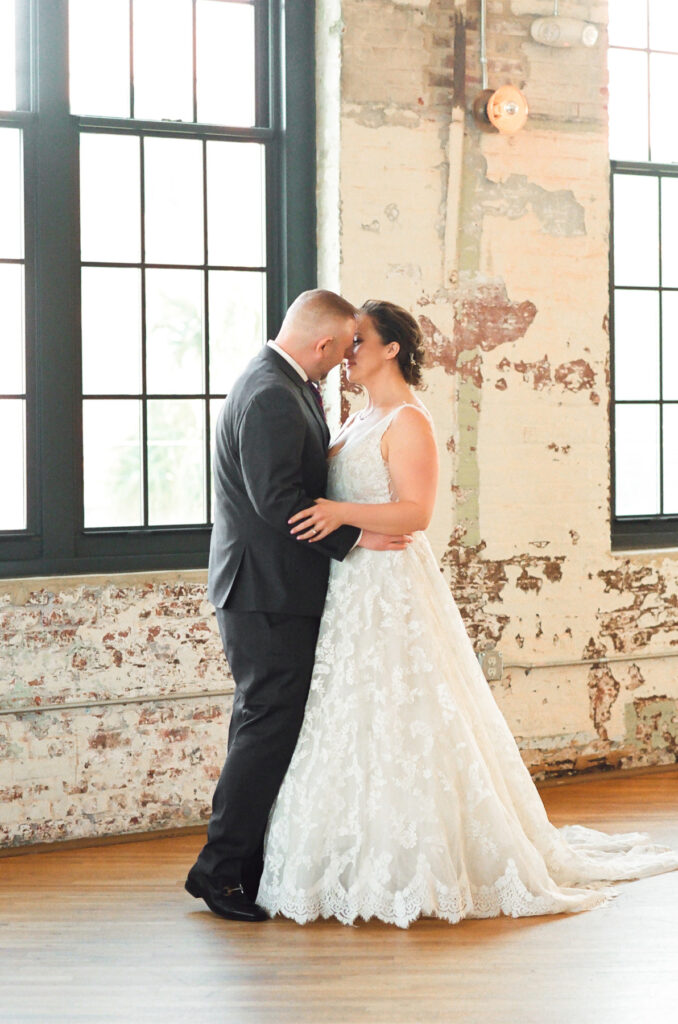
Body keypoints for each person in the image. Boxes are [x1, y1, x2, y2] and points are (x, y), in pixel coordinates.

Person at [256, 299, 678, 928]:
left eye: (359, 343)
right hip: (350, 587)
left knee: (408, 711)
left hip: (392, 585)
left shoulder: (408, 421)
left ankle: (422, 865)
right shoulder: (354, 418)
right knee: (353, 713)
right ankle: (352, 858)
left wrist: (343, 515)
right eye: (345, 346)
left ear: (391, 349)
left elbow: (417, 514)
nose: (348, 354)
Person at [185, 290, 410, 922]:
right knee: (266, 729)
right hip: (266, 594)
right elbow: (279, 503)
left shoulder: (279, 383)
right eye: (342, 348)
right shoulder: (272, 396)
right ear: (321, 343)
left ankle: (245, 864)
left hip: (269, 592)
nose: (345, 361)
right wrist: (358, 534)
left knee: (260, 726)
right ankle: (219, 872)